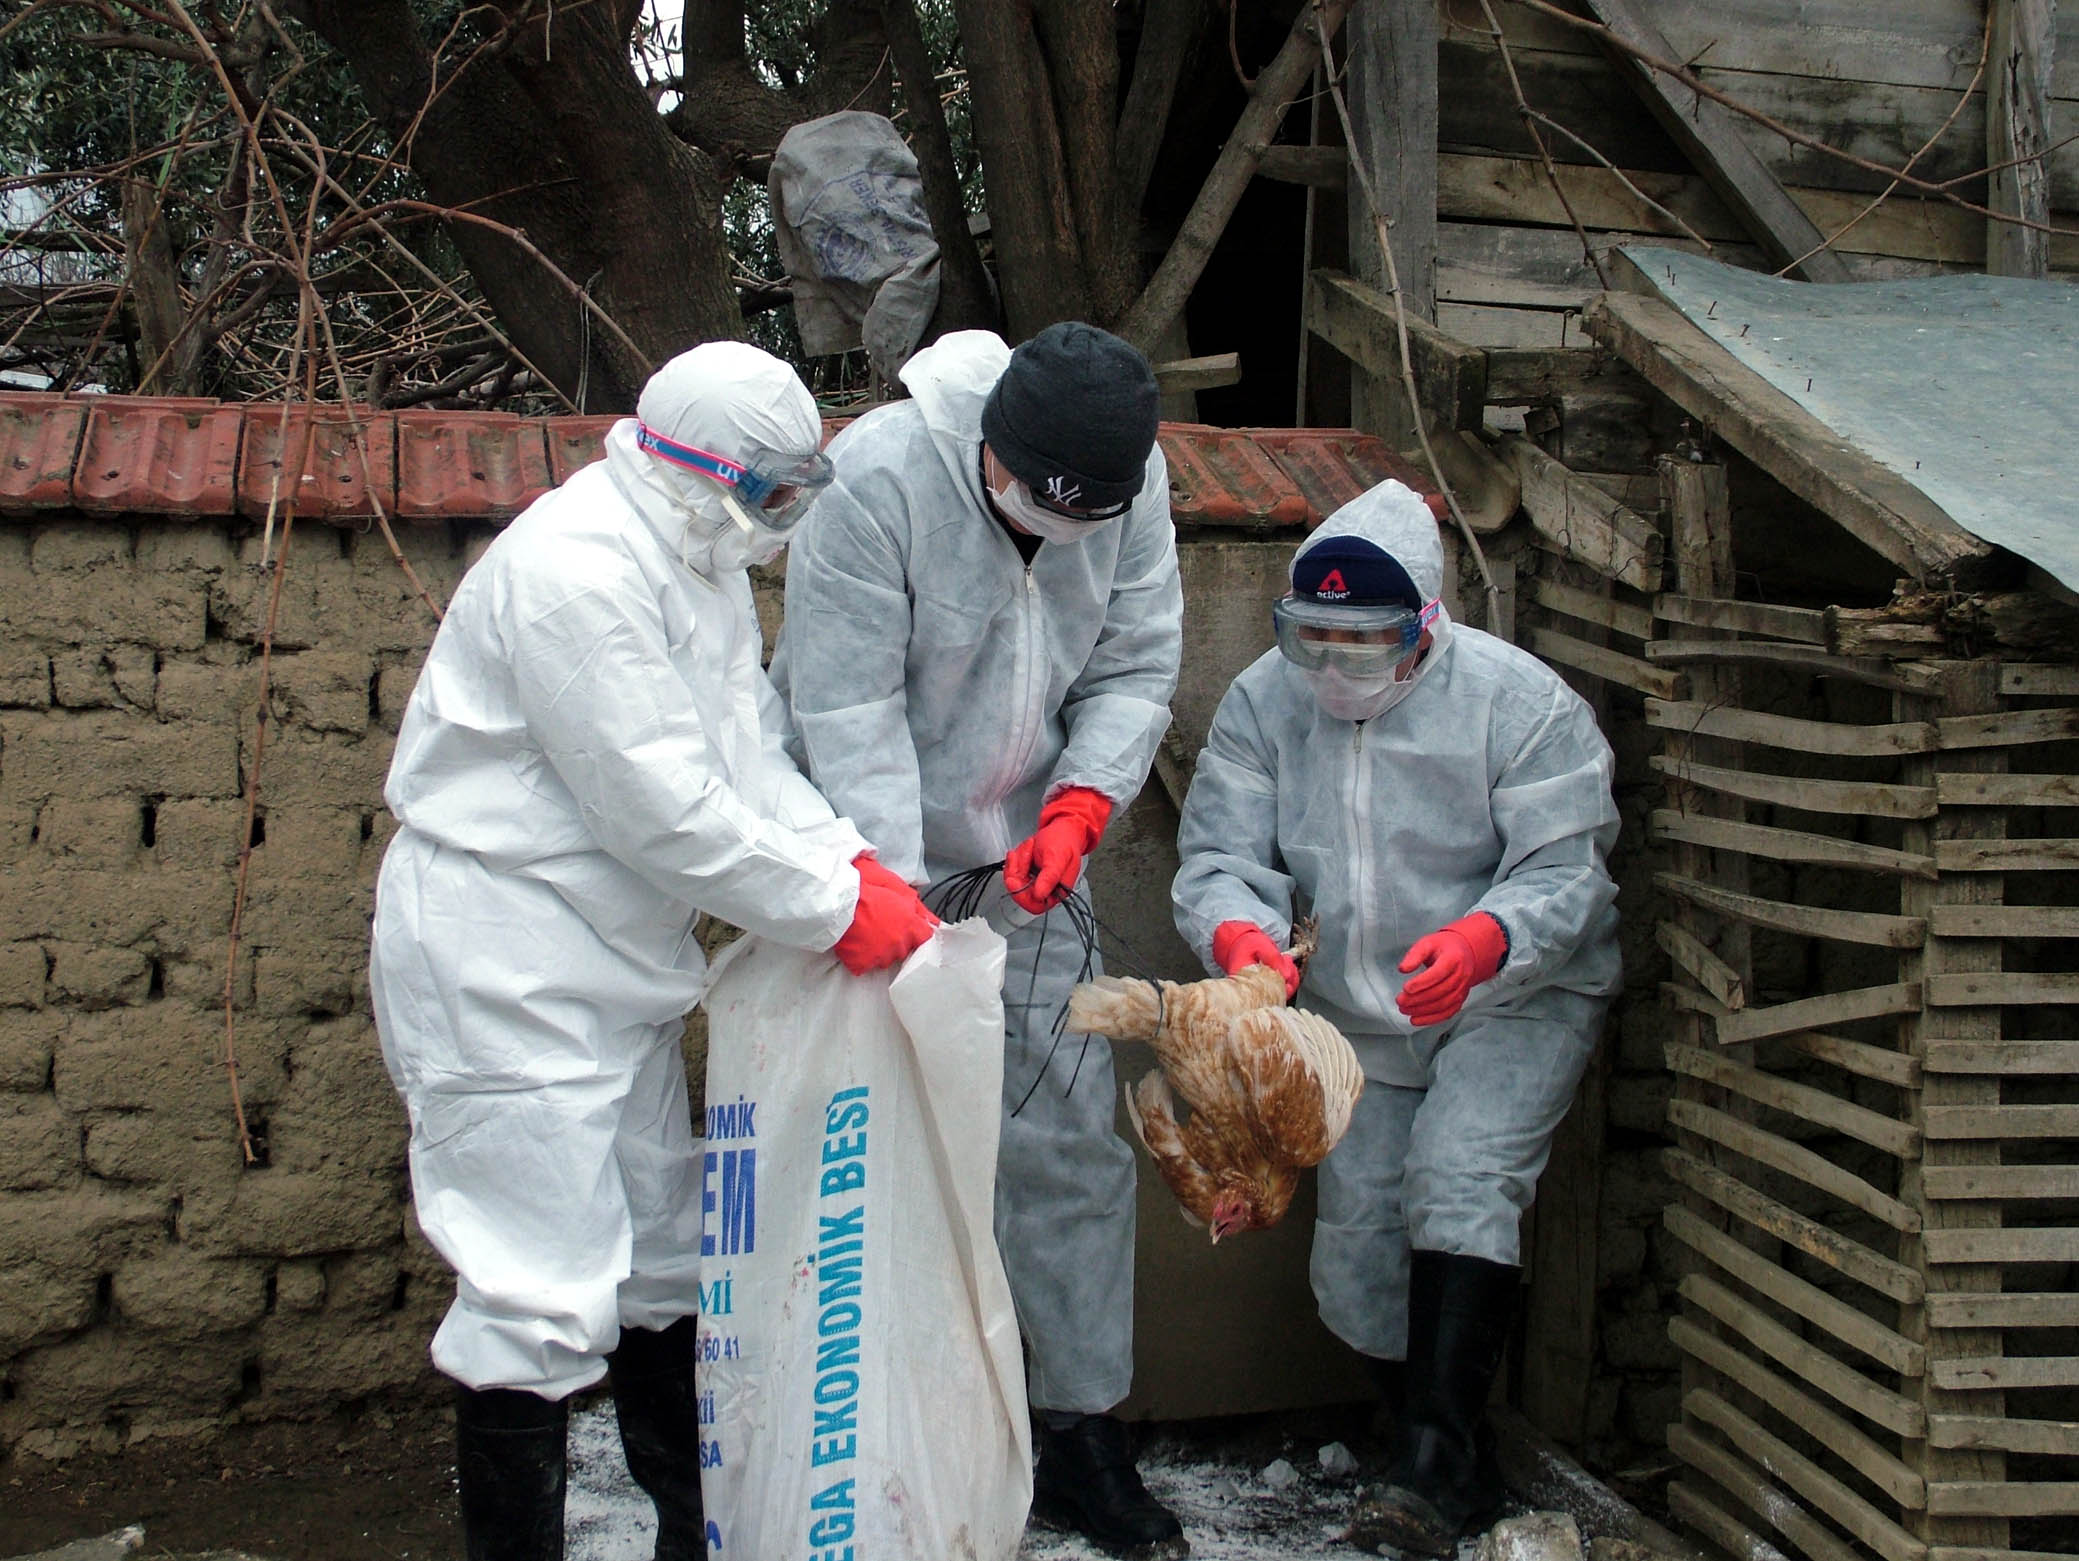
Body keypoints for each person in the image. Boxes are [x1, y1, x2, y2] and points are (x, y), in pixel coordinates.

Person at [369, 342, 939, 1561]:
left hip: (611, 966)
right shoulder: (578, 567)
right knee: (535, 1292)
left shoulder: (700, 554)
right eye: (768, 491)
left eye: (799, 490)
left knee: (662, 1259)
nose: (778, 518)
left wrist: (849, 860)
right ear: (687, 466)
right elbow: (663, 809)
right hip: (503, 962)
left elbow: (737, 753)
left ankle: (696, 1536)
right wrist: (833, 910)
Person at [770, 322, 1188, 1558]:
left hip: (1029, 864)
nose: (1054, 537)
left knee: (1063, 1147)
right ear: (991, 445)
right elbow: (843, 707)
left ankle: (1078, 1436)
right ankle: (869, 1421)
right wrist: (886, 894)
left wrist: (1082, 801)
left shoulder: (1136, 482)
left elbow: (1137, 654)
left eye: (1085, 521)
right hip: (864, 863)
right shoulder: (882, 480)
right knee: (875, 1136)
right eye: (1034, 506)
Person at [1171, 480, 1620, 1556]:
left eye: (1361, 643)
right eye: (1309, 638)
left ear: (1425, 625)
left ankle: (1427, 1473)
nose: (1331, 668)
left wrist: (1485, 940)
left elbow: (1567, 865)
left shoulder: (1522, 705)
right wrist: (1241, 936)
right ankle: (1437, 1439)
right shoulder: (1263, 701)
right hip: (1355, 1012)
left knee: (1461, 1177)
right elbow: (1222, 855)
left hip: (1513, 995)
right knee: (1358, 1251)